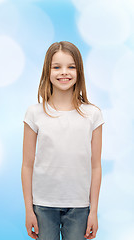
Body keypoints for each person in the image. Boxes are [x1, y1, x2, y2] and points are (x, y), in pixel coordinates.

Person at [21, 41, 105, 240]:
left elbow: (95, 166)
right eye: (57, 67)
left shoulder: (92, 115)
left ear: (79, 71)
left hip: (79, 207)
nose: (64, 72)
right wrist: (28, 210)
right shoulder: (35, 113)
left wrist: (93, 211)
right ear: (47, 71)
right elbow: (27, 165)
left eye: (71, 67)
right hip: (43, 205)